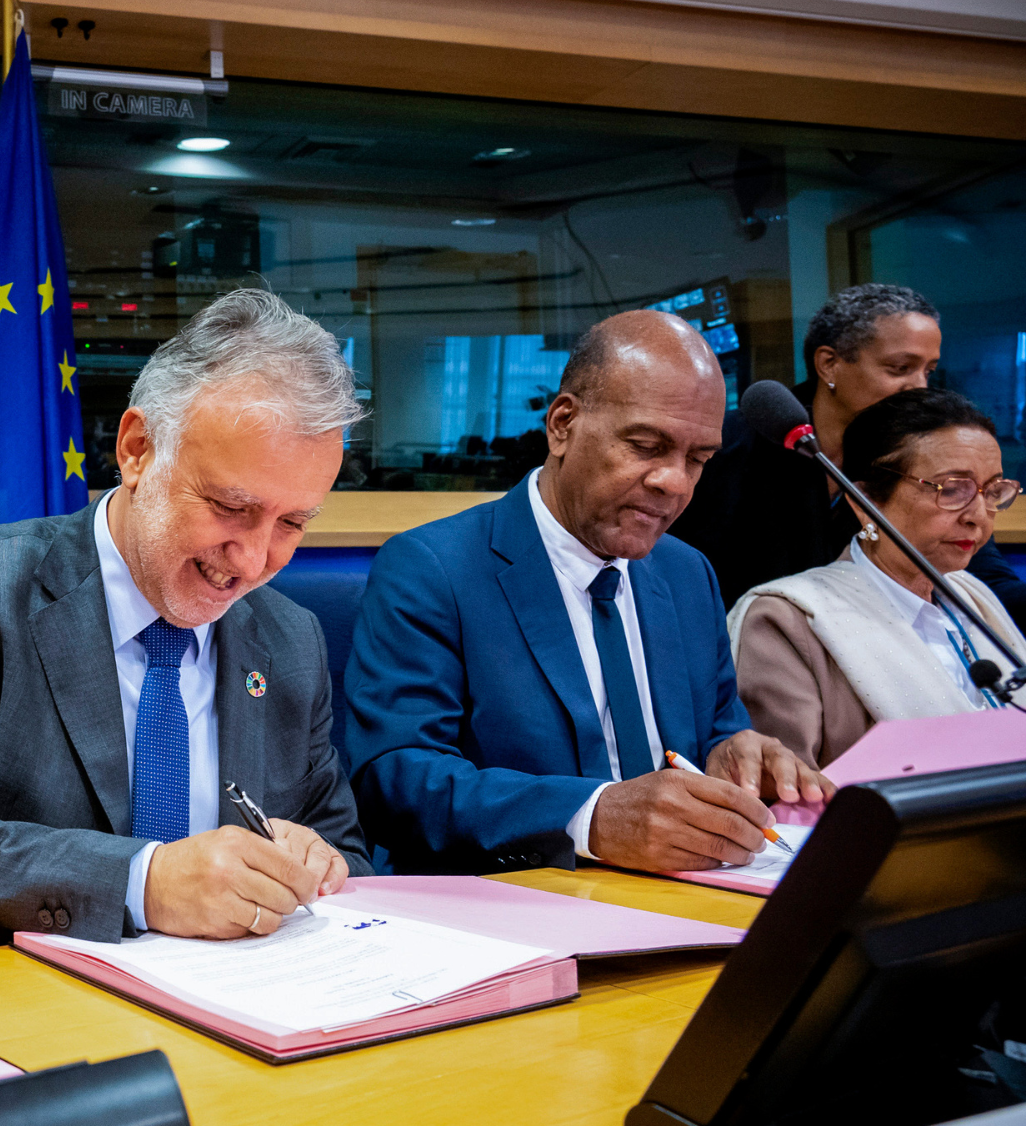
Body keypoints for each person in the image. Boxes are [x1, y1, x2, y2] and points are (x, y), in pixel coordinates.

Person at [0, 289, 373, 965]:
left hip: (219, 1018)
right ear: (139, 449)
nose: (257, 559)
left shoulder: (289, 640)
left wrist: (319, 865)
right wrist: (144, 882)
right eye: (233, 507)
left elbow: (344, 851)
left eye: (292, 523)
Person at [347, 310, 832, 876]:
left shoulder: (687, 573)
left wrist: (739, 757)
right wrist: (592, 818)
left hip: (694, 895)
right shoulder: (435, 568)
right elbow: (395, 779)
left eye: (697, 460)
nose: (674, 481)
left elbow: (716, 732)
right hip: (523, 904)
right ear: (562, 424)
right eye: (647, 445)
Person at [673, 283, 1026, 622]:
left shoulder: (920, 456)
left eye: (928, 371)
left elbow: (987, 578)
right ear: (829, 364)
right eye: (899, 369)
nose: (918, 387)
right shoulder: (727, 448)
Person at [731, 388, 1024, 765]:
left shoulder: (972, 597)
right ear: (864, 502)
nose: (978, 515)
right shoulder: (787, 621)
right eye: (951, 489)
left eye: (992, 491)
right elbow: (783, 798)